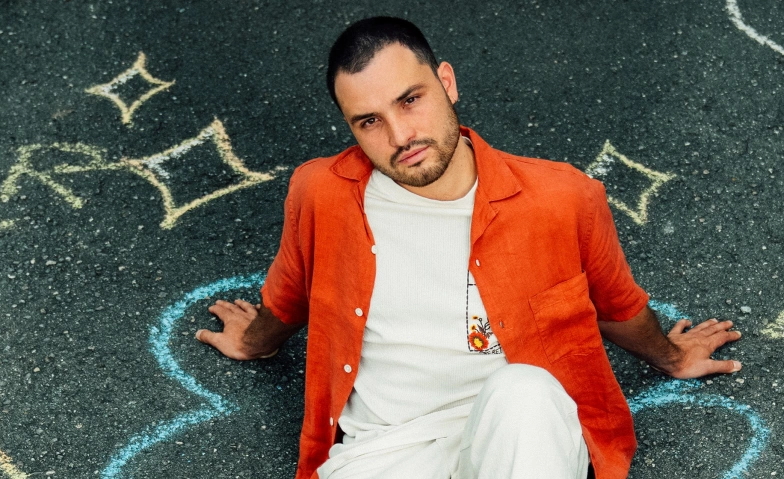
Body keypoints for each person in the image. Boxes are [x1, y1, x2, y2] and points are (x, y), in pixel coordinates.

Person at [195, 16, 742, 479]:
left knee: (524, 390)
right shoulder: (322, 193)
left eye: (411, 100)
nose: (400, 136)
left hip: (521, 439)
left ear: (447, 82)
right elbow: (293, 294)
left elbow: (614, 305)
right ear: (351, 126)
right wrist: (255, 341)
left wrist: (672, 357)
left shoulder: (561, 197)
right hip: (386, 451)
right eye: (370, 121)